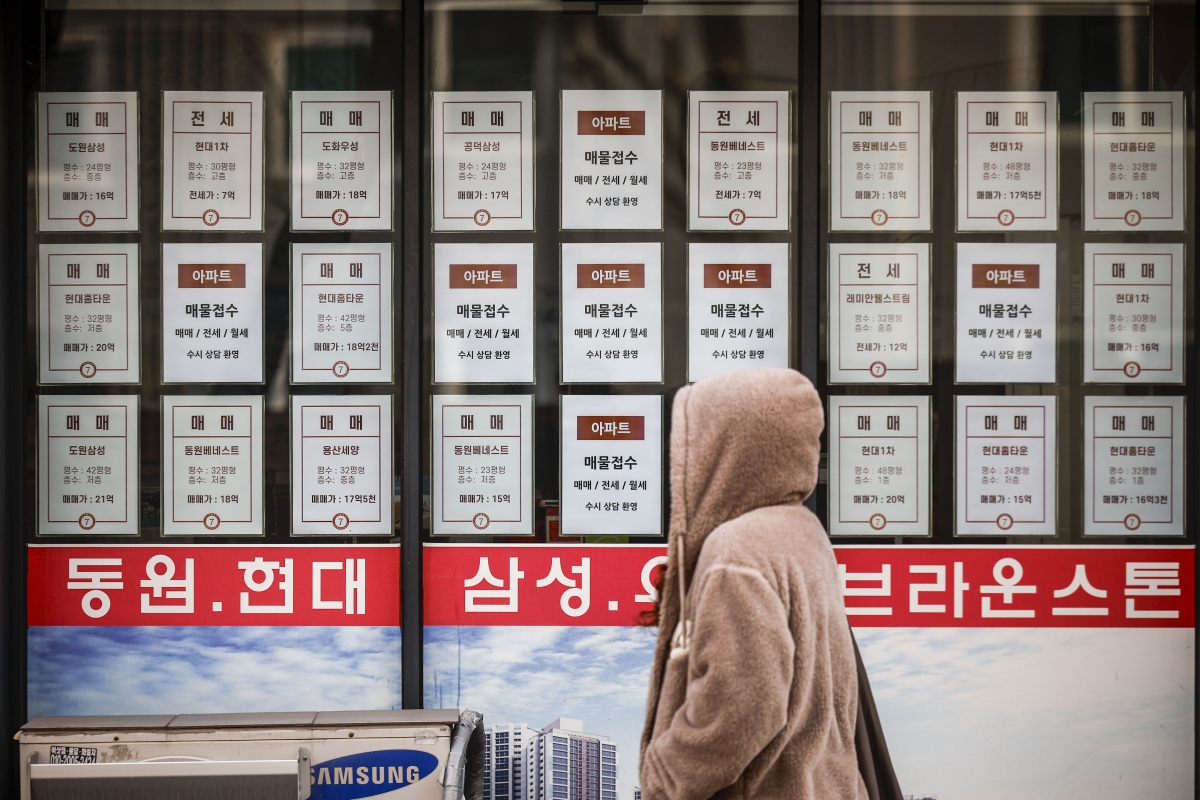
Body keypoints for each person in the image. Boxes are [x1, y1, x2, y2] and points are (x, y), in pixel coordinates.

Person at [639, 367, 867, 800]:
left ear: (726, 448)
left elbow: (744, 707)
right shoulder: (803, 531)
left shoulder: (736, 551)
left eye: (692, 446)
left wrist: (663, 775)